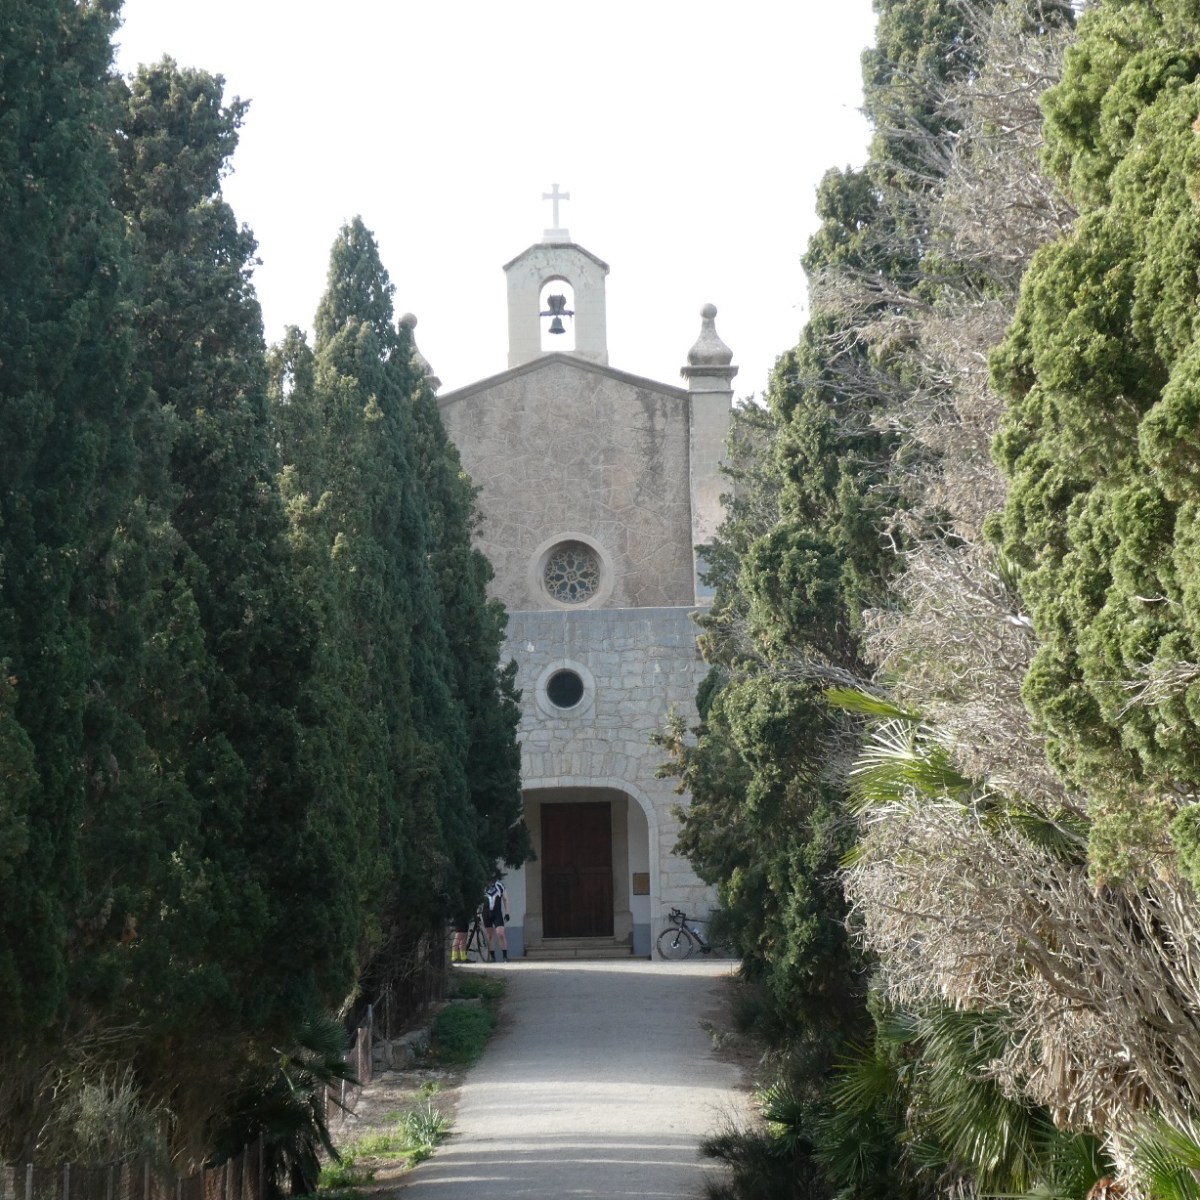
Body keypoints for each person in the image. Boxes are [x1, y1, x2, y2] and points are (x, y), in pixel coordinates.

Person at [482, 873, 510, 962]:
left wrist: (507, 912)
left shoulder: (500, 885)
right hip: (486, 912)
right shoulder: (482, 886)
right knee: (490, 935)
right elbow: (478, 901)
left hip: (497, 912)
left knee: (500, 933)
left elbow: (505, 899)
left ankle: (505, 956)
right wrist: (477, 914)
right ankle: (493, 957)